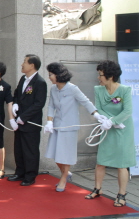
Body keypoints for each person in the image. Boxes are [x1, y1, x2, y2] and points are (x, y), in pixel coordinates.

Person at [43, 62, 104, 192]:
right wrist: (49, 121)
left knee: (66, 155)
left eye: (51, 74)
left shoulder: (72, 88)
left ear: (59, 75)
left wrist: (96, 114)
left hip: (70, 127)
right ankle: (67, 173)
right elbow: (51, 106)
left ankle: (63, 178)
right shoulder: (53, 89)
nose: (49, 77)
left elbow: (85, 101)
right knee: (55, 154)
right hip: (57, 126)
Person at [84, 60, 135, 207]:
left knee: (122, 164)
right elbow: (99, 108)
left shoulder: (124, 90)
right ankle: (97, 189)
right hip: (107, 128)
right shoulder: (98, 89)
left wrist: (114, 121)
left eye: (101, 75)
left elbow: (127, 111)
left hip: (123, 129)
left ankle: (121, 194)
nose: (98, 78)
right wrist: (107, 121)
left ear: (110, 76)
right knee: (101, 161)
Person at [7, 54, 47, 186]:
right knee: (19, 148)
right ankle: (20, 172)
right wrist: (16, 104)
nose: (22, 64)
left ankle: (30, 176)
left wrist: (23, 117)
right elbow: (17, 94)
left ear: (32, 65)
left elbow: (39, 104)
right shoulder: (23, 79)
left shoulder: (40, 82)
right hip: (19, 121)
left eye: (24, 62)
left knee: (30, 150)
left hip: (30, 122)